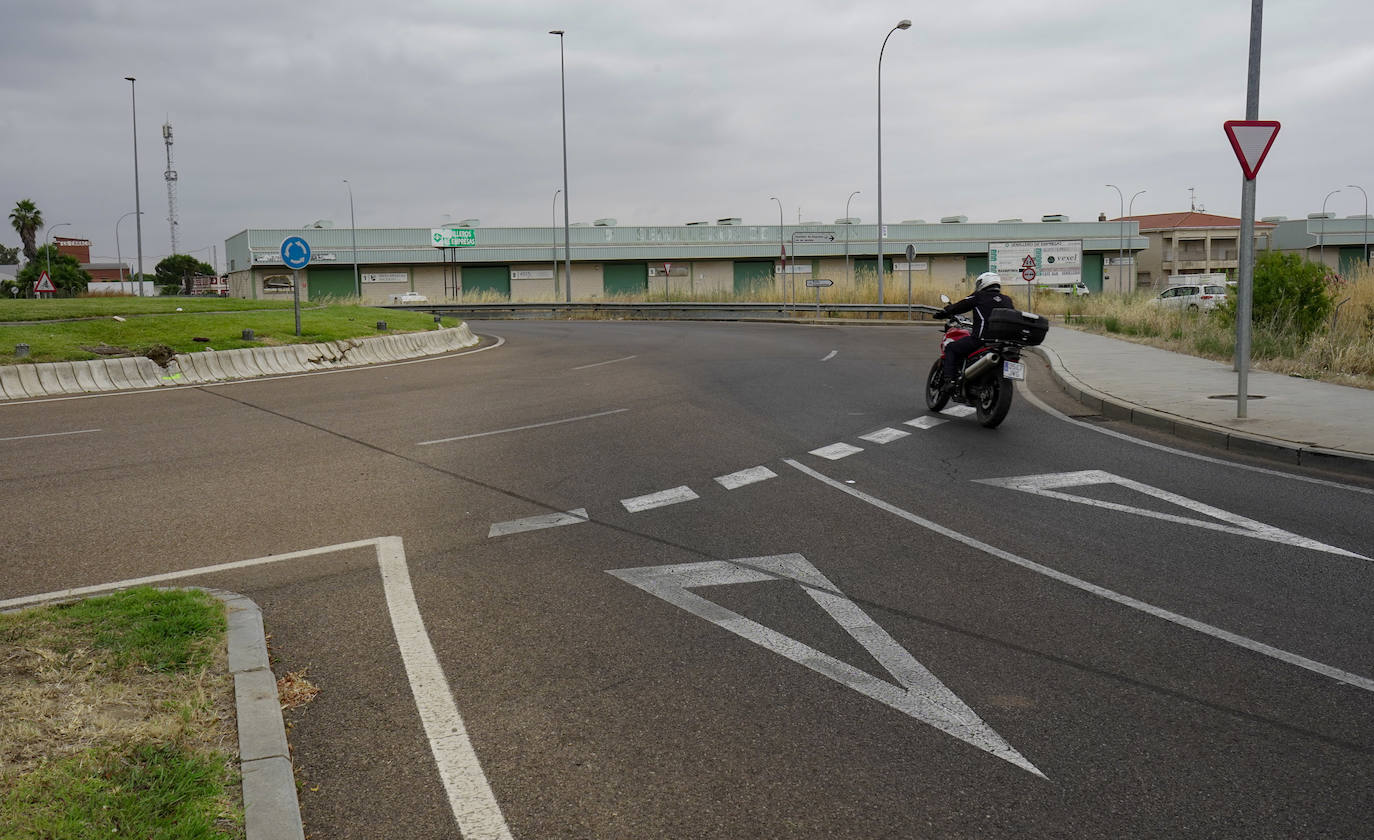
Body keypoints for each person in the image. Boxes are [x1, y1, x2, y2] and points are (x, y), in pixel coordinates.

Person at [933, 272, 1016, 396]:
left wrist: (944, 312)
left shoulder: (979, 296)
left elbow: (960, 306)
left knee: (951, 348)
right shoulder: (1007, 300)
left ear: (983, 283)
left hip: (981, 339)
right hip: (1002, 342)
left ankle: (949, 381)